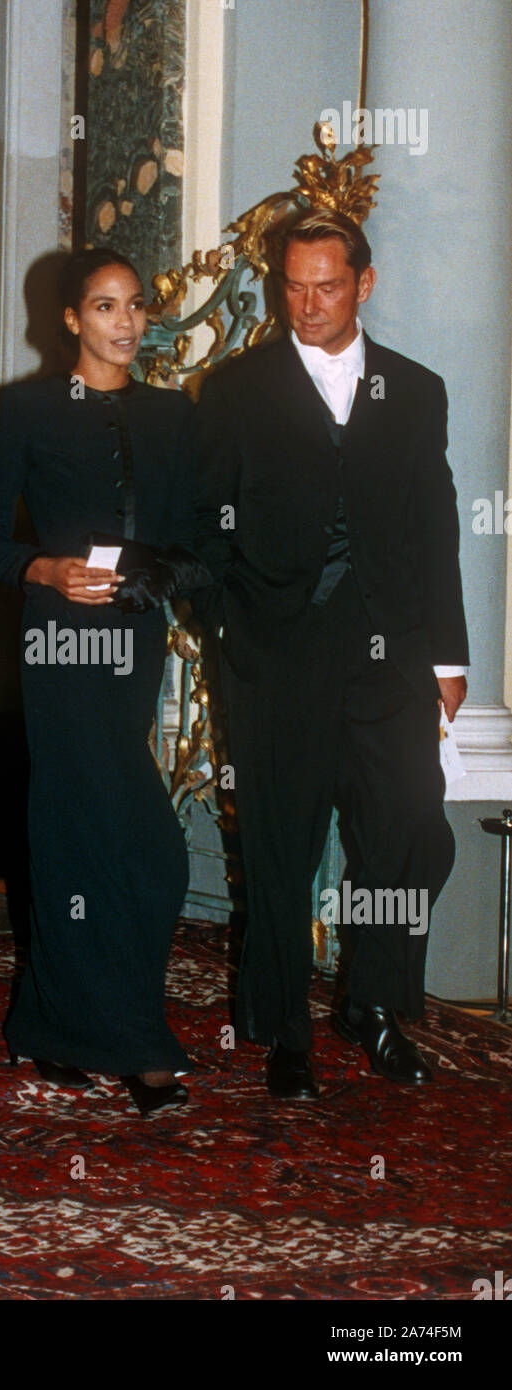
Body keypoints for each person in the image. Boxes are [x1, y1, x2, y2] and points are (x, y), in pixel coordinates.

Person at [195, 208, 469, 1100]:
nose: (307, 306)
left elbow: (435, 524)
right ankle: (283, 1031)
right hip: (276, 655)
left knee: (403, 832)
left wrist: (447, 657)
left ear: (365, 284)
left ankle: (375, 1006)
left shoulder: (416, 389)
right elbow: (204, 520)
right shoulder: (237, 389)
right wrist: (226, 624)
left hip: (388, 657)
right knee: (280, 843)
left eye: (327, 287)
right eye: (292, 288)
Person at [0, 248, 208, 1116]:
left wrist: (159, 577)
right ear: (70, 320)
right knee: (132, 842)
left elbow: (198, 545)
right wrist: (46, 571)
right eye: (104, 307)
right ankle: (137, 1044)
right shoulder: (27, 408)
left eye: (136, 306)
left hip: (131, 640)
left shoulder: (171, 417)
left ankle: (50, 1025)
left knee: (95, 837)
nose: (126, 323)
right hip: (57, 642)